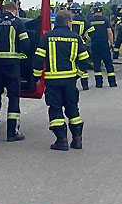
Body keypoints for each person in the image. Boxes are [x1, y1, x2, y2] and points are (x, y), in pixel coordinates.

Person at [32, 10, 90, 150]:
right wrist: (79, 74)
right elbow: (84, 59)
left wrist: (36, 77)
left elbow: (38, 59)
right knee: (73, 109)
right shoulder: (76, 38)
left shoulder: (47, 37)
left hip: (53, 81)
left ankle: (62, 141)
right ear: (68, 22)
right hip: (70, 80)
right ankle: (77, 140)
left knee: (56, 109)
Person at [0, 2, 31, 141]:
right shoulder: (18, 23)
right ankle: (12, 133)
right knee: (13, 97)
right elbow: (26, 44)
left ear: (3, 10)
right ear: (14, 11)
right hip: (12, 66)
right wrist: (19, 53)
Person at [88, 2, 117, 87]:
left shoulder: (90, 21)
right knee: (108, 64)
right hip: (104, 44)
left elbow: (88, 33)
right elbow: (110, 33)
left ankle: (99, 83)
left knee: (97, 64)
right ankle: (112, 82)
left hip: (94, 45)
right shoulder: (105, 20)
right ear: (101, 10)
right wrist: (111, 43)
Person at [70, 2, 94, 90]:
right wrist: (85, 38)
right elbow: (91, 30)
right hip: (81, 44)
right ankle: (85, 85)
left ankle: (72, 84)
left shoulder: (69, 20)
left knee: (72, 64)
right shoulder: (84, 20)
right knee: (82, 63)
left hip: (70, 44)